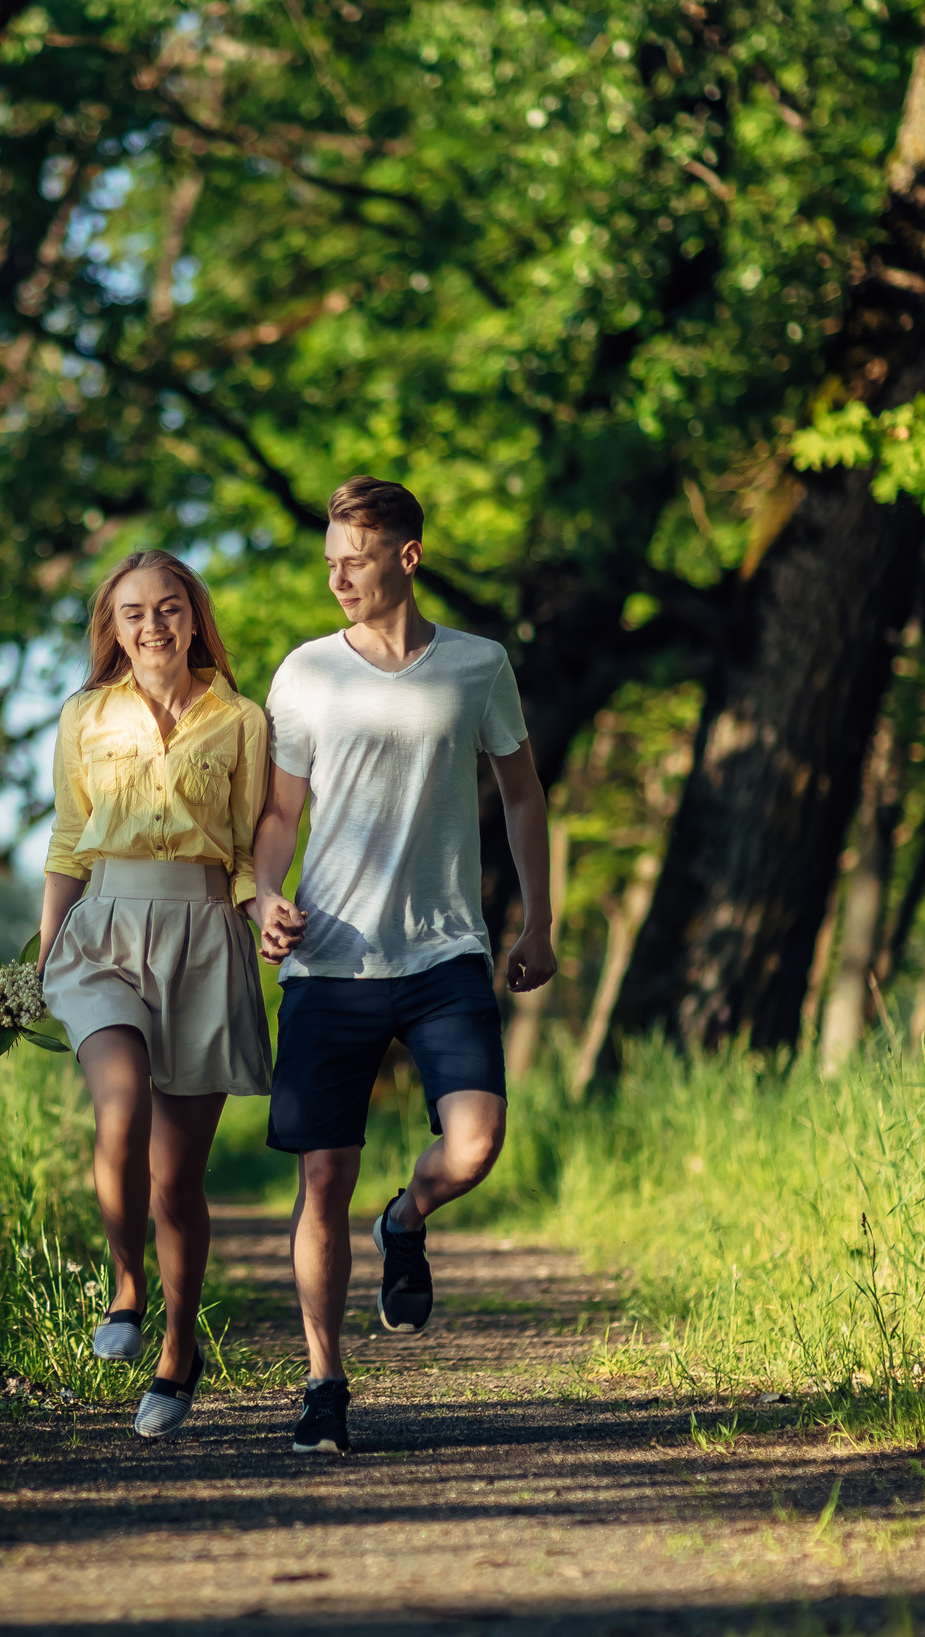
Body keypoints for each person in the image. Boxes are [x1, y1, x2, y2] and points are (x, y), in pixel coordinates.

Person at [248, 477, 555, 1456]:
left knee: (473, 1143)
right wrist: (263, 894)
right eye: (330, 557)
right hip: (328, 956)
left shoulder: (476, 665)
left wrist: (537, 921)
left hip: (444, 946)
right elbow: (278, 813)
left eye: (356, 556)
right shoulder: (301, 673)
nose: (337, 573)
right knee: (321, 1178)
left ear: (406, 557)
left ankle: (408, 1215)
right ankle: (322, 1383)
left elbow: (523, 796)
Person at [38, 549, 273, 1440]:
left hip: (205, 936)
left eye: (168, 608)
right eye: (133, 612)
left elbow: (252, 850)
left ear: (194, 616)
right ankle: (125, 1284)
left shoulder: (243, 720)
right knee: (120, 1104)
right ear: (114, 626)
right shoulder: (84, 715)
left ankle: (180, 1348)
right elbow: (68, 840)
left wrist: (269, 917)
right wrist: (47, 950)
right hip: (102, 934)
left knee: (177, 1180)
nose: (152, 625)